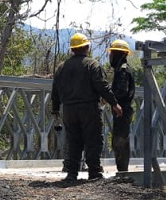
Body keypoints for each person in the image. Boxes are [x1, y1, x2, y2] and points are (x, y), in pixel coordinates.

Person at [51, 33, 122, 181]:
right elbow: (102, 86)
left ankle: (72, 173)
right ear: (87, 47)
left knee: (73, 141)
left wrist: (56, 110)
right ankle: (94, 172)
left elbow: (55, 91)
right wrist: (114, 103)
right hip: (89, 108)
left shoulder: (61, 67)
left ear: (72, 49)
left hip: (69, 110)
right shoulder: (92, 65)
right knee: (93, 139)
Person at [107, 39, 136, 174]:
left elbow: (122, 90)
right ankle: (122, 170)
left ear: (118, 54)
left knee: (120, 140)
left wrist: (111, 99)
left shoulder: (123, 71)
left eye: (112, 53)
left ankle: (123, 171)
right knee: (120, 139)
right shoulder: (121, 69)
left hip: (122, 110)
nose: (110, 56)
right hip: (122, 109)